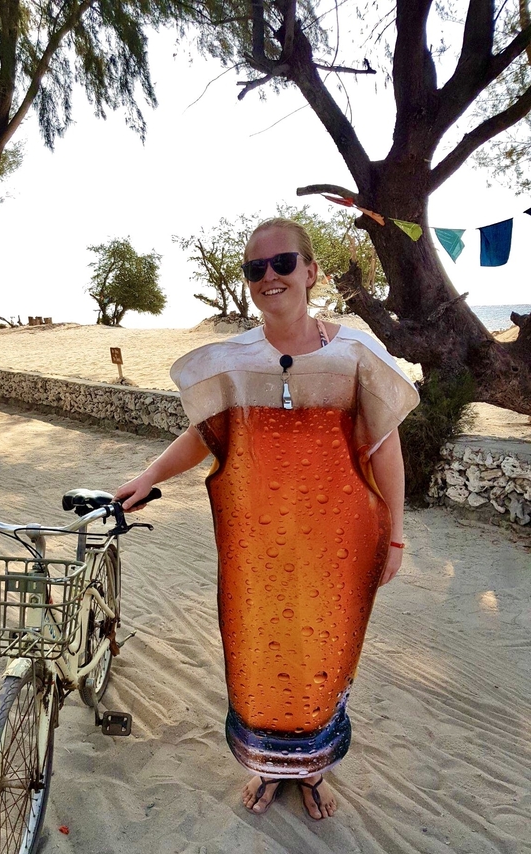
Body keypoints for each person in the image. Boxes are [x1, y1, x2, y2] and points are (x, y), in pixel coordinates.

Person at [115, 218, 419, 821]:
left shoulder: (355, 354)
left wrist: (396, 534)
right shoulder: (236, 360)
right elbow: (204, 438)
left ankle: (314, 772)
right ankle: (265, 768)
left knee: (325, 652)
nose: (270, 277)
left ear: (311, 272)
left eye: (282, 264)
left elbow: (385, 447)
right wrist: (148, 477)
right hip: (258, 546)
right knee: (256, 653)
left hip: (335, 544)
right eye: (256, 269)